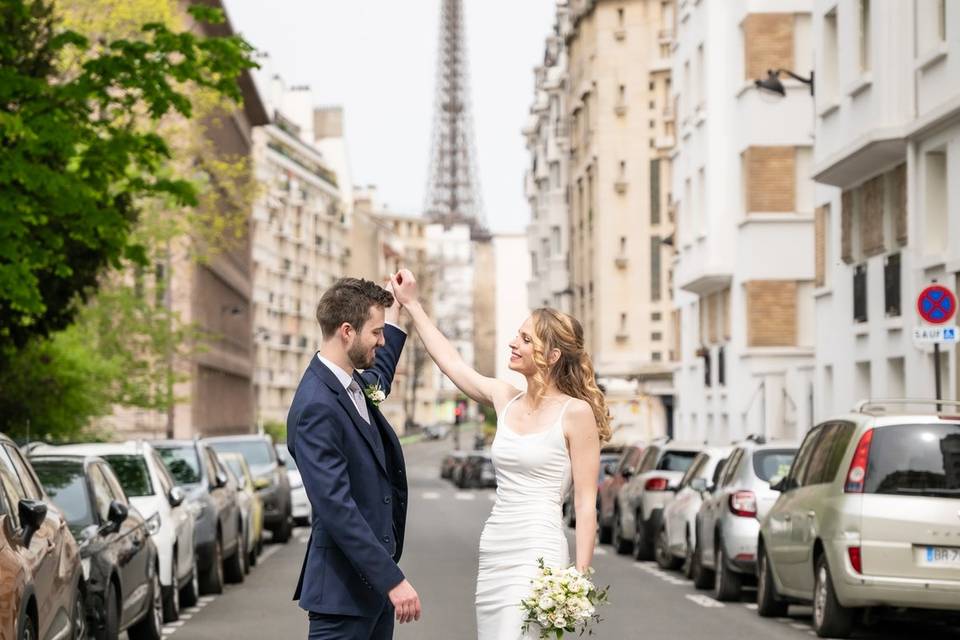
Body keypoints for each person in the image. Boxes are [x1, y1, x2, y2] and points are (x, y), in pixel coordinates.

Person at [390, 268, 610, 640]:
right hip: (495, 548)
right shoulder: (505, 399)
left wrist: (579, 577)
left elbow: (587, 504)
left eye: (525, 339)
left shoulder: (576, 413)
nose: (513, 342)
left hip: (538, 550)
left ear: (552, 355)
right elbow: (451, 362)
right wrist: (412, 305)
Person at [286, 277, 421, 640]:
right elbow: (336, 507)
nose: (381, 341)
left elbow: (379, 375)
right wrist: (392, 580)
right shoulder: (317, 405)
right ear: (347, 331)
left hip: (372, 596)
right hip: (342, 600)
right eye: (376, 332)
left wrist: (398, 310)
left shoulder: (352, 384)